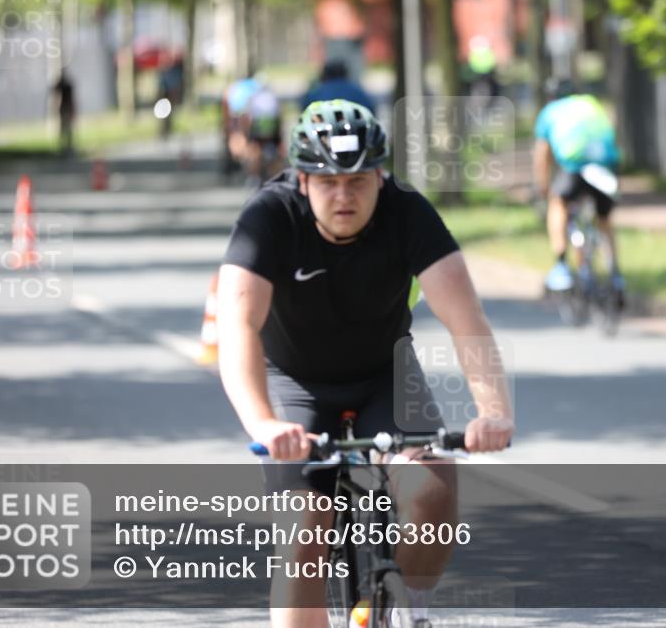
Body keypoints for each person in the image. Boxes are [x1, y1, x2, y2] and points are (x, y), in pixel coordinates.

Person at [218, 99, 514, 628]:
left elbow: (466, 318)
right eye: (327, 182)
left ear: (381, 176)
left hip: (385, 374)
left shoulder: (409, 214)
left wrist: (491, 411)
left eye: (357, 182)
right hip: (296, 384)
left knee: (433, 491)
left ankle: (405, 610)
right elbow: (237, 325)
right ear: (302, 181)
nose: (343, 195)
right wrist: (264, 422)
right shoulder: (269, 217)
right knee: (305, 529)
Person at [533, 79, 624, 304]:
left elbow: (542, 156)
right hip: (605, 164)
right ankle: (615, 274)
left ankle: (562, 265)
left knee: (558, 204)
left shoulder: (550, 111)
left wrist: (542, 187)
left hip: (575, 164)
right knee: (604, 220)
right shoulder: (591, 103)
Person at [300, 59, 375, 114]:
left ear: (324, 75)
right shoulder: (357, 91)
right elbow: (371, 111)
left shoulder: (315, 93)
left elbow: (305, 112)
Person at [53, 73, 76, 156]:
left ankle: (68, 146)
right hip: (64, 109)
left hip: (66, 109)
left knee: (67, 129)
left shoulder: (68, 87)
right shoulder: (64, 86)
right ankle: (64, 146)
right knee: (64, 129)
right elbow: (54, 89)